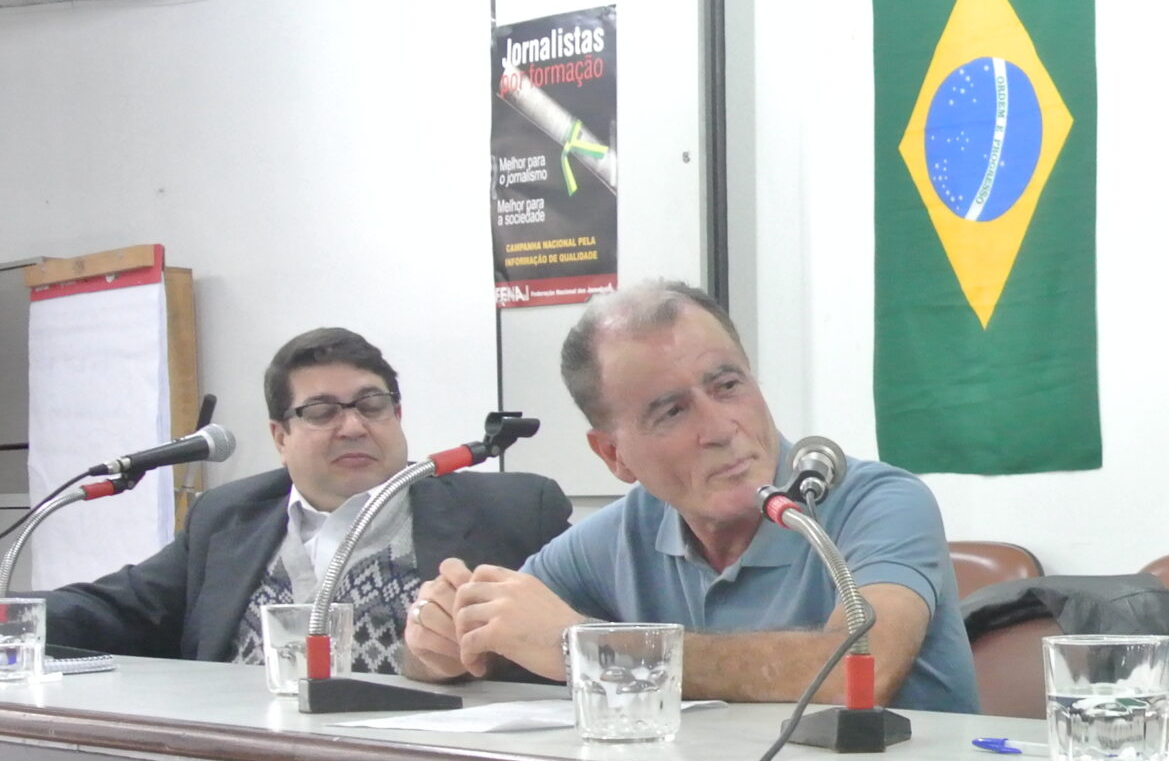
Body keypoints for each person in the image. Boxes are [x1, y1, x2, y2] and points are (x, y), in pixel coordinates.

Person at [405, 281, 978, 710]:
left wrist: (585, 649)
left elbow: (861, 667)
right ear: (614, 456)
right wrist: (438, 642)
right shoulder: (619, 535)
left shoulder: (877, 502)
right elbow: (465, 636)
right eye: (672, 411)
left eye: (727, 386)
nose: (721, 427)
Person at [36, 327, 570, 674]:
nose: (353, 426)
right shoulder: (228, 517)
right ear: (279, 435)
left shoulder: (516, 511)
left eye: (371, 405)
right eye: (321, 413)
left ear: (397, 416)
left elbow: (579, 639)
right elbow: (119, 609)